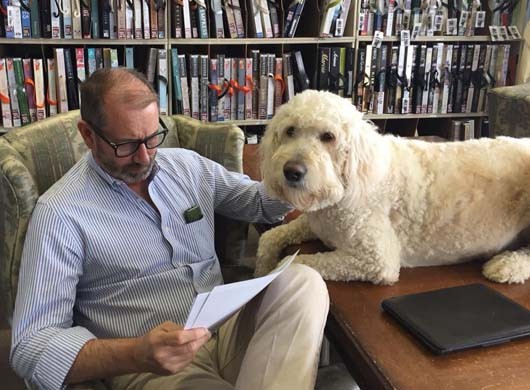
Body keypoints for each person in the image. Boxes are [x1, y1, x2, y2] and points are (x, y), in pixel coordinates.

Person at [10, 67, 329, 390]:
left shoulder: (186, 166)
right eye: (126, 145)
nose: (145, 156)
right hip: (148, 367)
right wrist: (135, 354)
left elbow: (259, 202)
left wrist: (309, 172)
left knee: (303, 282)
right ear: (88, 135)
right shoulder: (60, 213)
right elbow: (31, 347)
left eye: (151, 137)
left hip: (224, 329)